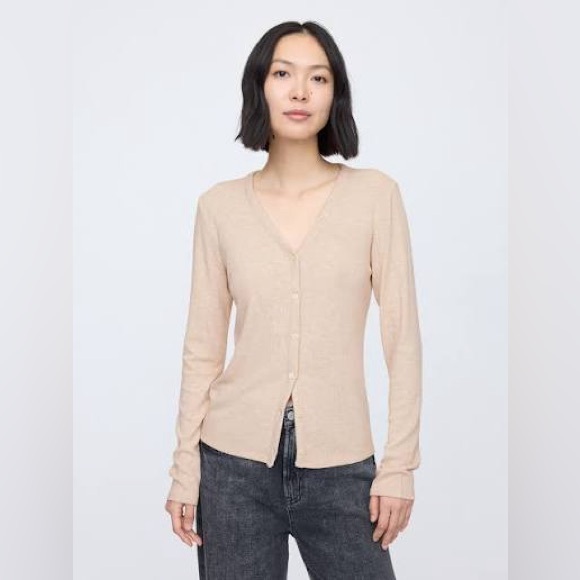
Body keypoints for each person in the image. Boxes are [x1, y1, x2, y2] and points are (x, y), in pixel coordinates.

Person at [164, 20, 423, 579]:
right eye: (283, 74)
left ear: (335, 94)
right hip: (231, 468)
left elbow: (403, 342)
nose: (300, 91)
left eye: (318, 78)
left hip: (342, 465)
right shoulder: (219, 208)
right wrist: (185, 468)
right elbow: (202, 349)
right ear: (260, 86)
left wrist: (399, 465)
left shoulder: (375, 197)